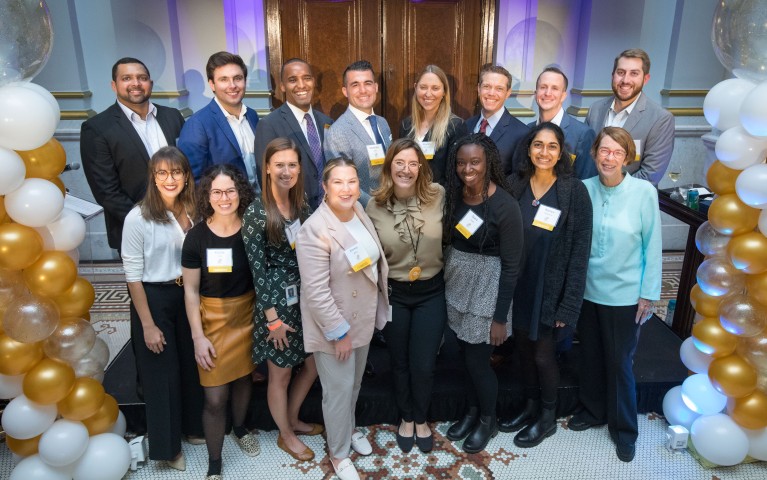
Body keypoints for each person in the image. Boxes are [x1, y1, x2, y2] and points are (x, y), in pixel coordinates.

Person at [567, 127, 661, 463]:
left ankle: (624, 430)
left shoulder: (644, 192)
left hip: (625, 295)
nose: (609, 158)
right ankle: (593, 411)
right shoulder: (583, 189)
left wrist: (649, 293)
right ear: (594, 154)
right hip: (588, 290)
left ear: (627, 158)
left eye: (616, 153)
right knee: (590, 355)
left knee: (620, 363)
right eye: (604, 151)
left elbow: (653, 244)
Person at [499, 123, 592, 448]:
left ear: (561, 152)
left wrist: (569, 305)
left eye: (552, 146)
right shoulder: (513, 185)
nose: (544, 152)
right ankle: (529, 406)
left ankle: (548, 417)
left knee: (542, 355)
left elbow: (580, 253)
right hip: (517, 286)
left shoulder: (573, 191)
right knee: (523, 352)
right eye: (538, 145)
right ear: (528, 149)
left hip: (549, 289)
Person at [295, 158, 389, 480]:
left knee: (353, 384)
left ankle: (347, 432)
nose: (347, 188)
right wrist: (339, 333)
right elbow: (316, 292)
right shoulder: (314, 230)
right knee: (337, 391)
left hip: (361, 319)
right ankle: (338, 454)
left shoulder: (359, 212)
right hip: (336, 328)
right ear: (324, 186)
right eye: (338, 182)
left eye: (352, 181)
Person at [121, 146, 203, 471]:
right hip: (153, 298)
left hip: (188, 295)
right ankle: (169, 450)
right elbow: (132, 277)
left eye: (176, 172)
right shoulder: (137, 218)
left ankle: (193, 428)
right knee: (161, 374)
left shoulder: (193, 209)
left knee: (190, 365)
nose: (170, 179)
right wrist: (148, 325)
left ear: (186, 176)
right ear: (153, 178)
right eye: (162, 173)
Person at [241, 138, 322, 463]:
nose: (286, 171)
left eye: (292, 164)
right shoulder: (256, 213)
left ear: (299, 168)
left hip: (304, 297)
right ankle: (285, 435)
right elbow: (257, 274)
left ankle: (292, 419)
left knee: (313, 364)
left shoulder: (301, 205)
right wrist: (272, 319)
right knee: (280, 373)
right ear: (267, 169)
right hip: (275, 304)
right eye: (280, 165)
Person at [443, 133, 523, 454]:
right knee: (465, 357)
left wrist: (500, 318)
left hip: (488, 291)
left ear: (488, 161)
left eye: (475, 161)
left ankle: (488, 420)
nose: (468, 168)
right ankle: (472, 411)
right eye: (461, 162)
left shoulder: (505, 205)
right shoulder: (455, 195)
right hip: (458, 284)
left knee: (478, 361)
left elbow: (513, 266)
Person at [366, 139, 446, 453]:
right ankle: (407, 417)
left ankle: (422, 417)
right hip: (395, 294)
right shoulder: (373, 205)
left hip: (431, 293)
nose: (406, 169)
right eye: (399, 162)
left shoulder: (438, 195)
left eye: (413, 163)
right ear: (389, 167)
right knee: (399, 362)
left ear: (421, 168)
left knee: (424, 364)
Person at [182, 165, 260, 479]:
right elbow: (189, 292)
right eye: (217, 191)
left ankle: (240, 429)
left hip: (248, 316)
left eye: (230, 190)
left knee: (243, 378)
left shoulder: (252, 229)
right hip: (211, 320)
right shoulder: (196, 236)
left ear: (240, 193)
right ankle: (215, 464)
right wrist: (198, 337)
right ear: (207, 196)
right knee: (215, 398)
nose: (224, 198)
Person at [81, 57, 185, 252]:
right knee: (146, 284)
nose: (136, 83)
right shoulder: (97, 128)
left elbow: (187, 168)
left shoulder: (173, 117)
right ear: (114, 85)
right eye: (126, 78)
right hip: (136, 230)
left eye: (142, 77)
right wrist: (150, 224)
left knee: (189, 280)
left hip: (182, 223)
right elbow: (106, 191)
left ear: (150, 84)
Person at [585, 48, 675, 186]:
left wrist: (609, 193)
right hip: (590, 197)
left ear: (645, 79)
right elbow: (586, 159)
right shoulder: (595, 109)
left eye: (634, 73)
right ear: (613, 75)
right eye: (620, 73)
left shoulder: (660, 119)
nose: (625, 80)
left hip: (631, 202)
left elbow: (650, 174)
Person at [253, 59, 333, 209]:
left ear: (314, 82)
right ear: (283, 86)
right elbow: (265, 176)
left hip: (329, 210)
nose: (301, 85)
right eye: (292, 80)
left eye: (307, 78)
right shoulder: (269, 125)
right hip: (293, 213)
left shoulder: (327, 122)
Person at [178, 52, 260, 184]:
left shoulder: (252, 115)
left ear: (245, 80)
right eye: (224, 79)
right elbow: (193, 180)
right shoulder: (197, 125)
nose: (232, 85)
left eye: (238, 78)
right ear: (212, 84)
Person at [324, 60, 392, 206]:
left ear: (375, 87)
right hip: (363, 211)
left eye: (367, 83)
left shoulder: (383, 123)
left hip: (392, 204)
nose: (363, 90)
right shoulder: (338, 132)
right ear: (345, 91)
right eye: (355, 85)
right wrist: (374, 207)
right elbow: (342, 185)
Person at [524, 67, 597, 179]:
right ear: (535, 93)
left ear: (563, 96)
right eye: (543, 87)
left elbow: (586, 182)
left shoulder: (583, 134)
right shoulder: (527, 130)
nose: (548, 93)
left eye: (555, 88)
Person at [398, 65, 465, 185]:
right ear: (415, 88)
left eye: (435, 88)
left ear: (444, 91)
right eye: (423, 87)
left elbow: (455, 176)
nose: (428, 94)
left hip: (438, 198)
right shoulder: (406, 125)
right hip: (407, 197)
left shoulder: (455, 126)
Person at [464, 64, 529, 176]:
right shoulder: (466, 125)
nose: (491, 93)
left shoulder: (522, 133)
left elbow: (519, 180)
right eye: (487, 86)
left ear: (508, 93)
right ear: (479, 89)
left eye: (499, 88)